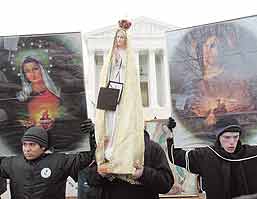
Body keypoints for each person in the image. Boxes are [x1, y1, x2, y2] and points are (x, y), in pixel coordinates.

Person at [95, 19, 144, 175]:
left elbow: (131, 77)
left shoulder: (128, 56)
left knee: (121, 122)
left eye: (122, 38)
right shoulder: (110, 55)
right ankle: (109, 152)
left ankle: (121, 152)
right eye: (117, 37)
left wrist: (119, 60)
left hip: (124, 94)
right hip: (111, 93)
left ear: (126, 40)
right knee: (110, 122)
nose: (119, 40)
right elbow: (105, 75)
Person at [0, 119, 94, 199]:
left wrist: (90, 135)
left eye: (32, 145)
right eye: (25, 144)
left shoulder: (59, 161)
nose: (27, 149)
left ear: (43, 147)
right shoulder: (11, 163)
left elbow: (85, 158)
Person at [167, 117, 257, 199]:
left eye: (235, 137)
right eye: (227, 137)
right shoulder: (205, 155)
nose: (232, 142)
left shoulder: (251, 154)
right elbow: (176, 156)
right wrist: (172, 134)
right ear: (218, 137)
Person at [84, 130, 174, 199]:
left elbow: (166, 184)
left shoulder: (153, 148)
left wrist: (143, 173)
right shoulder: (106, 148)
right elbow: (89, 178)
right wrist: (100, 173)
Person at [16, 56, 60, 129]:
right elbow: (21, 118)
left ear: (42, 69)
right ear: (24, 75)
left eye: (35, 69)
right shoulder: (23, 96)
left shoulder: (56, 92)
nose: (32, 74)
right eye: (27, 71)